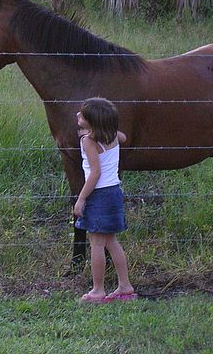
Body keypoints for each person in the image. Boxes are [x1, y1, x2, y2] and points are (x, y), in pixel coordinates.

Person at [74, 97, 137, 304]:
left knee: (97, 243)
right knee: (111, 241)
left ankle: (98, 290)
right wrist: (95, 130)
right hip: (113, 192)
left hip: (98, 195)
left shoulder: (88, 142)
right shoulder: (112, 135)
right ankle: (125, 287)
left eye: (82, 116)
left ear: (92, 122)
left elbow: (95, 173)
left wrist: (81, 199)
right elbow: (124, 137)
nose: (77, 116)